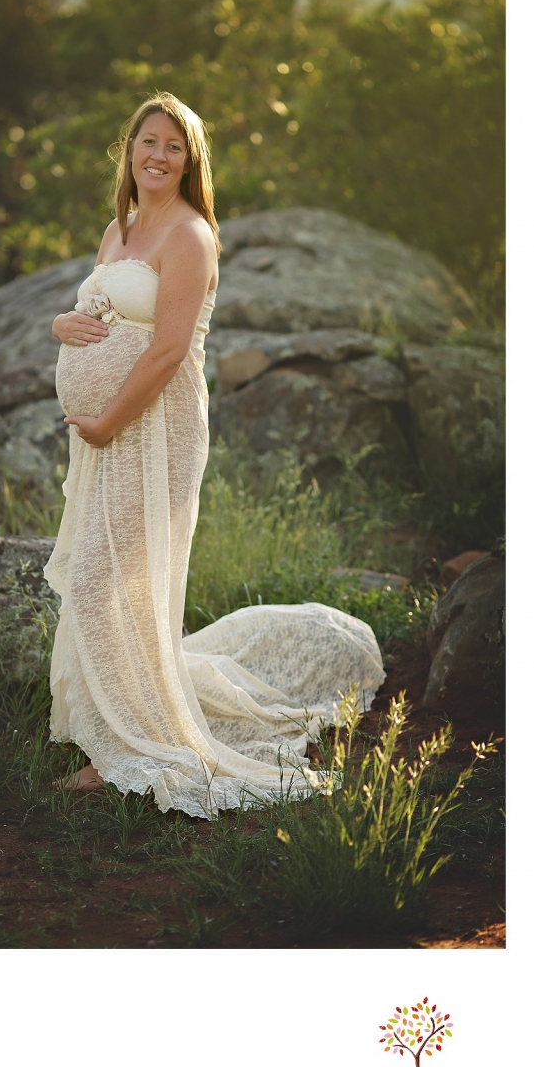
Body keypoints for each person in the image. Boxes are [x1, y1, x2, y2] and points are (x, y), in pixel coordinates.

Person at [44, 92, 384, 819]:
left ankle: (134, 747)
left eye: (174, 146)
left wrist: (106, 420)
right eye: (149, 141)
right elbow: (99, 309)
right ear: (128, 150)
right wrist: (61, 322)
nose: (158, 155)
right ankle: (116, 730)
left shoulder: (190, 236)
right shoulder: (120, 229)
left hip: (154, 428)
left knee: (115, 578)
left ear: (189, 161)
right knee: (104, 584)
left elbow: (169, 349)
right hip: (106, 433)